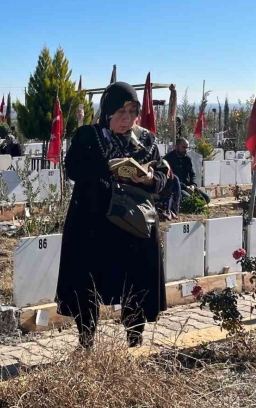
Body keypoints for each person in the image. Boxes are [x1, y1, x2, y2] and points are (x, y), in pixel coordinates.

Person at [56, 82, 167, 349]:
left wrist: (150, 179)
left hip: (134, 225)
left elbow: (162, 176)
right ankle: (86, 341)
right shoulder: (88, 136)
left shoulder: (147, 140)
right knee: (88, 282)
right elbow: (73, 169)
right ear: (107, 112)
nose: (127, 119)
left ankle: (134, 339)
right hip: (93, 225)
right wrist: (110, 174)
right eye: (120, 112)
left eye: (132, 111)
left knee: (136, 281)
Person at [163, 138, 211, 204]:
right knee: (190, 201)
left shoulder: (187, 158)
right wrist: (185, 187)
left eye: (187, 148)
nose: (185, 150)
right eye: (183, 147)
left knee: (206, 199)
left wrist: (193, 185)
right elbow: (170, 178)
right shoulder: (168, 159)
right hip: (175, 188)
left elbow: (192, 174)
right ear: (176, 146)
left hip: (189, 186)